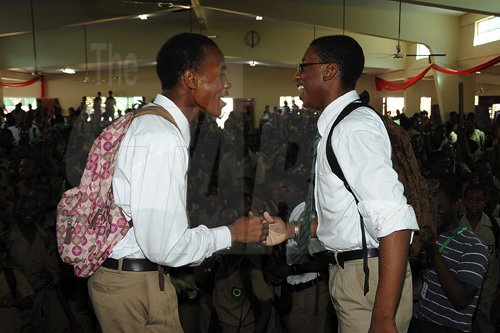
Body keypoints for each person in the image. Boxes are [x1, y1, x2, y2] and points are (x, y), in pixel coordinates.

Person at [87, 32, 269, 333]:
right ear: (192, 79)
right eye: (220, 73)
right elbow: (165, 246)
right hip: (133, 288)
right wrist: (232, 234)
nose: (227, 84)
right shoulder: (161, 136)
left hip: (137, 281)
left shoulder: (154, 123)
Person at [263, 35, 419, 333]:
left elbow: (395, 222)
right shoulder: (338, 127)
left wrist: (383, 319)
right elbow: (346, 218)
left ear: (330, 71)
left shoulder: (351, 130)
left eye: (303, 66)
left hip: (368, 281)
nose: (297, 75)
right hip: (356, 276)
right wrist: (293, 229)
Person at [410, 182, 488, 333]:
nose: (434, 213)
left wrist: (433, 249)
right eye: (430, 208)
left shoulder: (474, 246)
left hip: (450, 328)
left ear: (455, 205)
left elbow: (461, 299)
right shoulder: (428, 236)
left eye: (440, 207)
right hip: (420, 321)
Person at [459, 183, 499, 333]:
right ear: (463, 201)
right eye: (470, 200)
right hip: (463, 283)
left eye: (478, 200)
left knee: (484, 321)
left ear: (485, 203)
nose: (474, 204)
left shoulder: (494, 226)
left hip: (488, 285)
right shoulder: (457, 225)